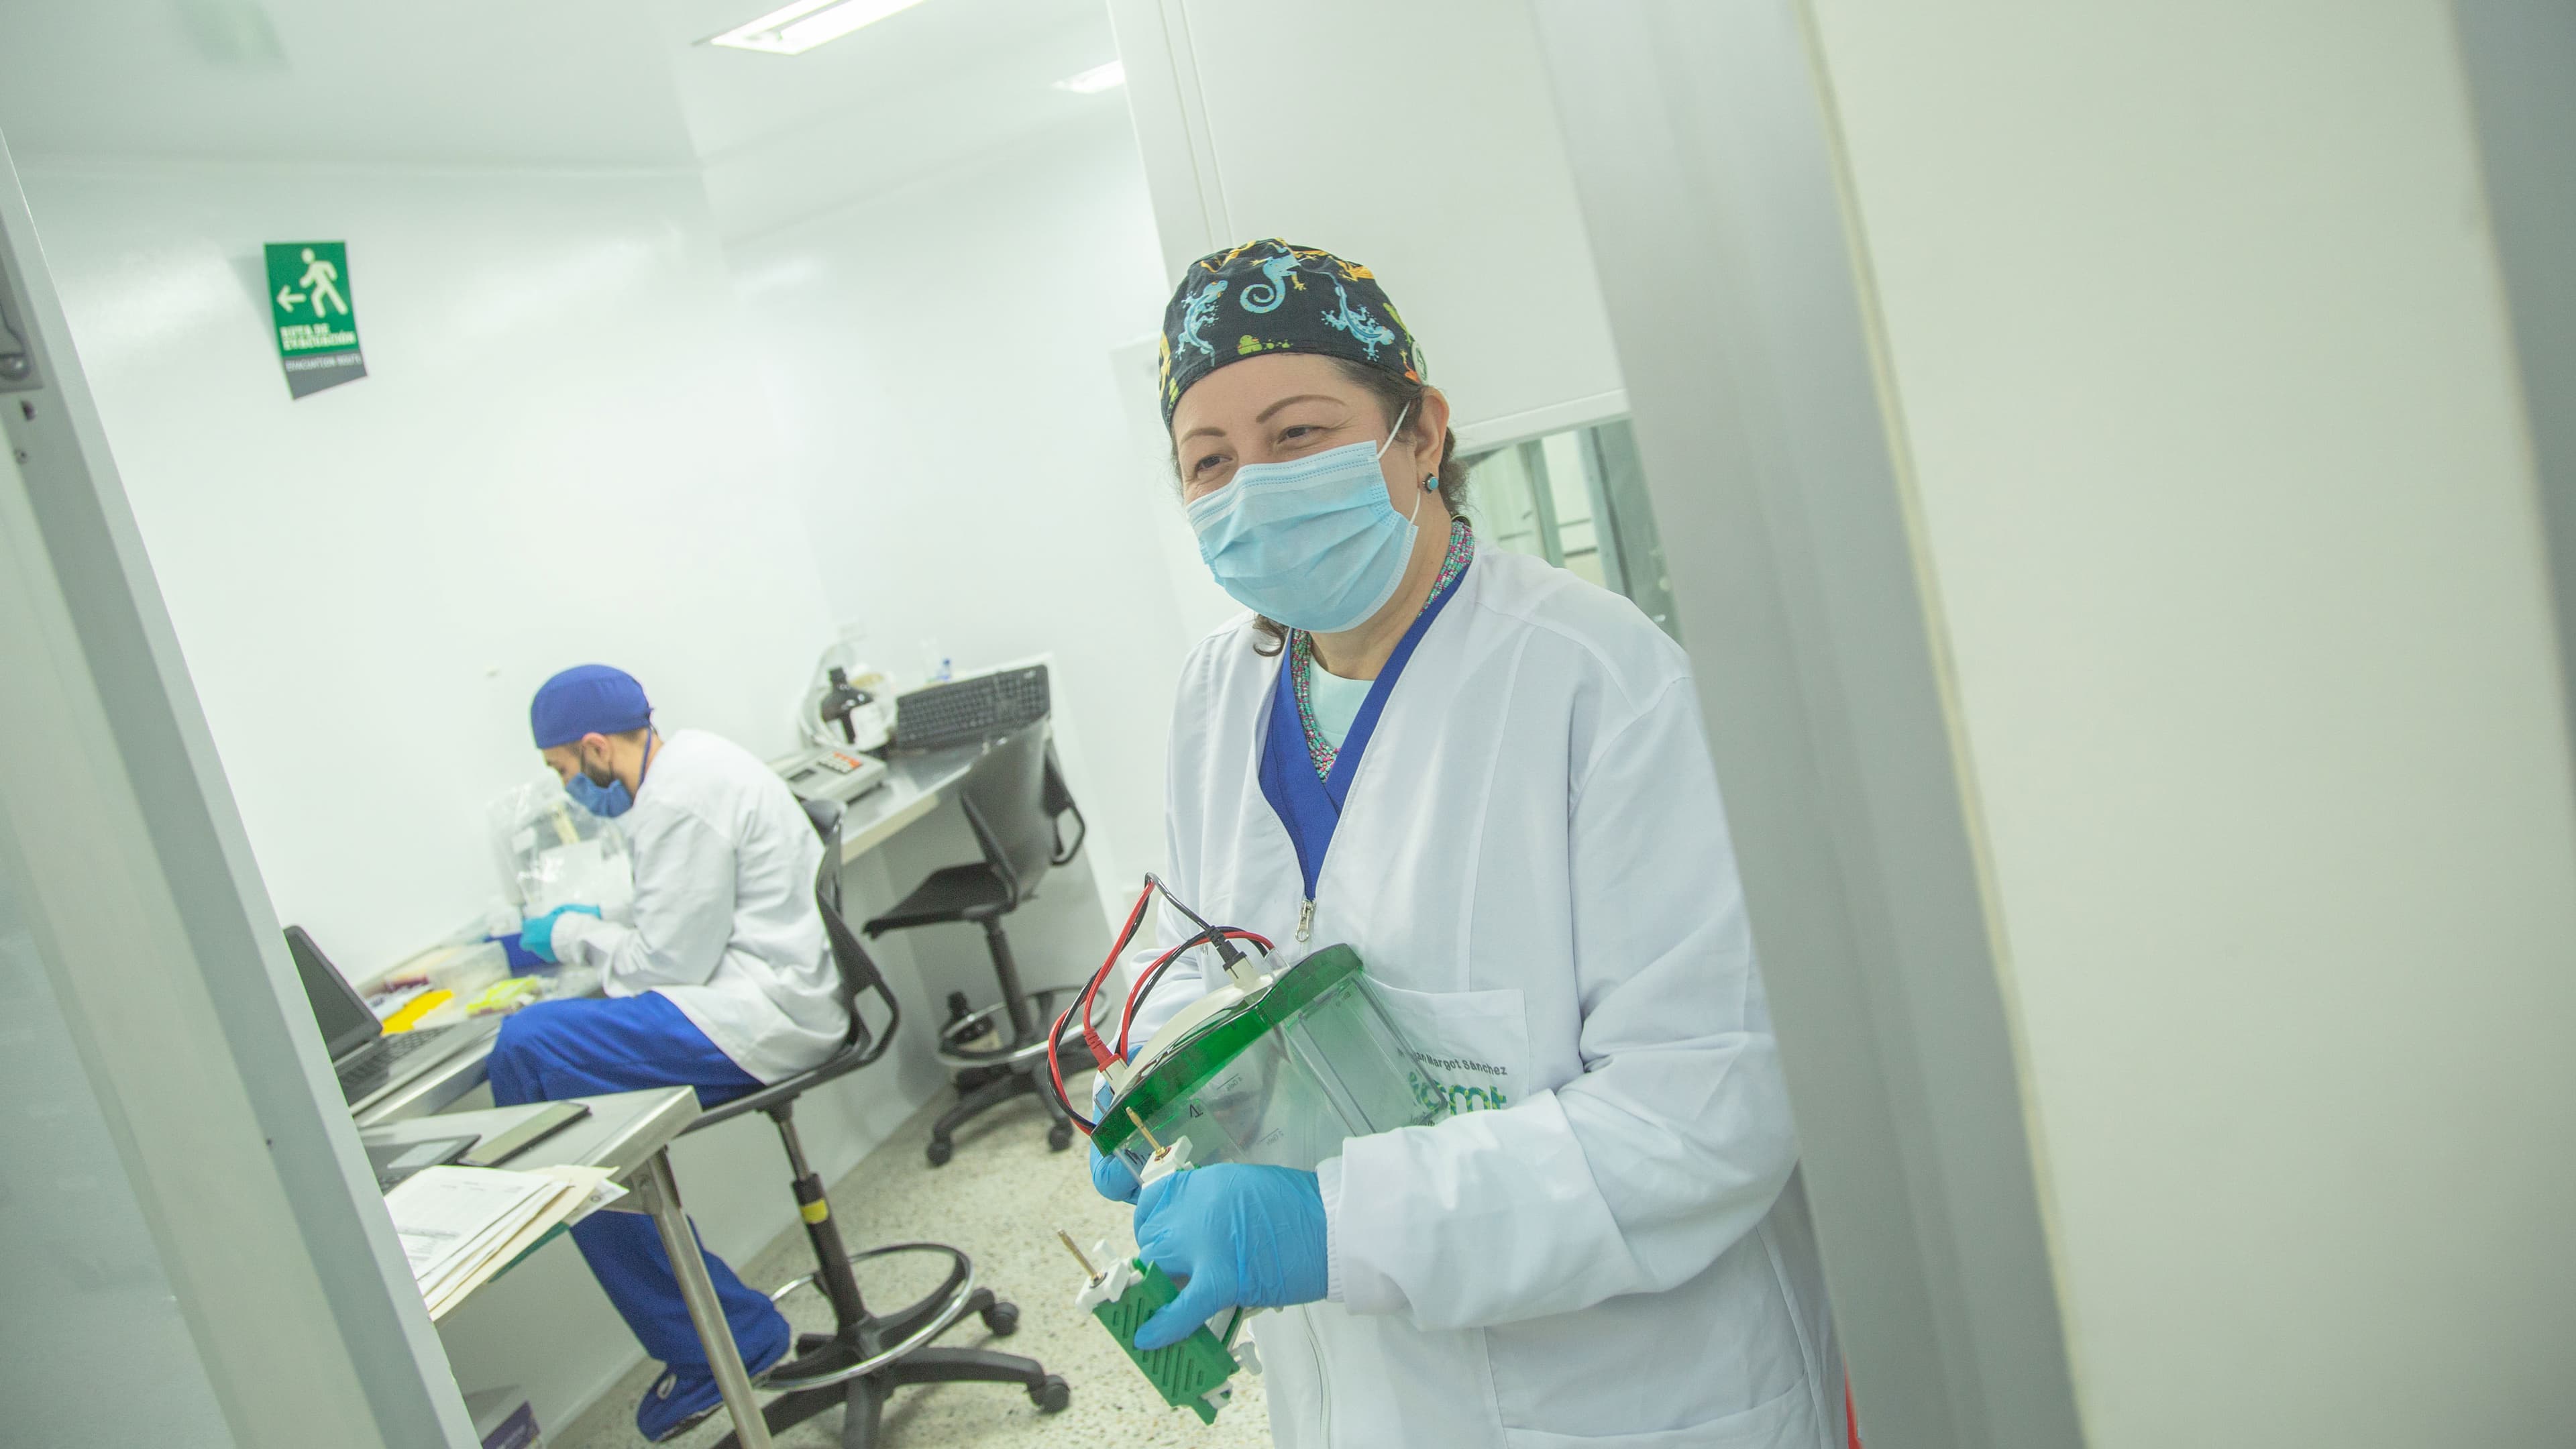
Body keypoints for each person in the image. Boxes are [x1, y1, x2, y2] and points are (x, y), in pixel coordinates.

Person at [1096, 240, 1845, 1447]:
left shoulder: (1600, 686)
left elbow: (1704, 1113)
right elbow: (1193, 956)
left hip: (1623, 1392)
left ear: (1423, 432)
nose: (1252, 487)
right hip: (1363, 1394)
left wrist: (1335, 1227)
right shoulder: (1216, 696)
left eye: (1296, 436)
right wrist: (1162, 1096)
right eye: (1210, 462)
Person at [488, 664, 847, 1442]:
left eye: (562, 772)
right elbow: (674, 910)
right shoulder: (692, 765)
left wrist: (575, 935)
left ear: (591, 748)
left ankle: (717, 1343)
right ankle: (709, 1330)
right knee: (571, 1118)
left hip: (761, 1017)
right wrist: (599, 923)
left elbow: (665, 963)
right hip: (764, 998)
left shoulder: (680, 797)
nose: (567, 790)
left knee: (525, 1053)